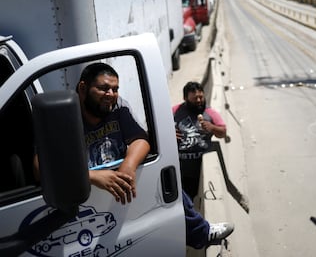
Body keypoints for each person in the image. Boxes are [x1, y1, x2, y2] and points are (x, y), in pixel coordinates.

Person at [56, 62, 233, 248]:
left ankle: (201, 234)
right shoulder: (63, 117)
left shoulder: (118, 106)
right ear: (83, 88)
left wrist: (129, 166)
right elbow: (40, 168)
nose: (111, 95)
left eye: (115, 89)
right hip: (86, 193)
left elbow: (140, 139)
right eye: (103, 88)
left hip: (121, 183)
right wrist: (90, 176)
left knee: (166, 181)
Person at [173, 81, 227, 200]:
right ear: (185, 98)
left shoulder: (210, 113)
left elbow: (223, 132)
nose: (198, 101)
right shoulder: (174, 111)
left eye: (201, 97)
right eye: (194, 98)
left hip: (201, 168)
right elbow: (157, 128)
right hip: (179, 168)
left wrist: (212, 128)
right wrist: (168, 132)